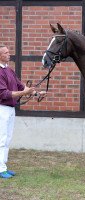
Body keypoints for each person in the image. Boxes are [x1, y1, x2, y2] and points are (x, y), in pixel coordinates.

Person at [0, 45, 45, 179]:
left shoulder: (9, 70)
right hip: (2, 109)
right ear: (0, 55)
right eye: (6, 53)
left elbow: (21, 86)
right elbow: (5, 94)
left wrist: (36, 93)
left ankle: (3, 166)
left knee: (7, 139)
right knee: (1, 139)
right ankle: (1, 169)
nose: (9, 54)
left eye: (9, 52)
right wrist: (24, 92)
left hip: (11, 109)